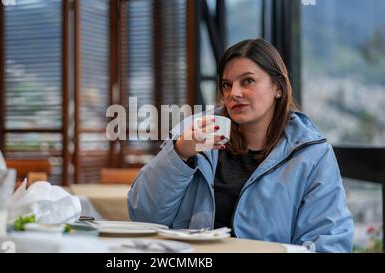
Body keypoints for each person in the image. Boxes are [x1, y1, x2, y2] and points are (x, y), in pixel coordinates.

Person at [127, 38, 354, 252]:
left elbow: (329, 241)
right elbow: (143, 216)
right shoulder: (192, 135)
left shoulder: (312, 154)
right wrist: (179, 154)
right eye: (227, 85)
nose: (234, 93)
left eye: (247, 81)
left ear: (278, 87)